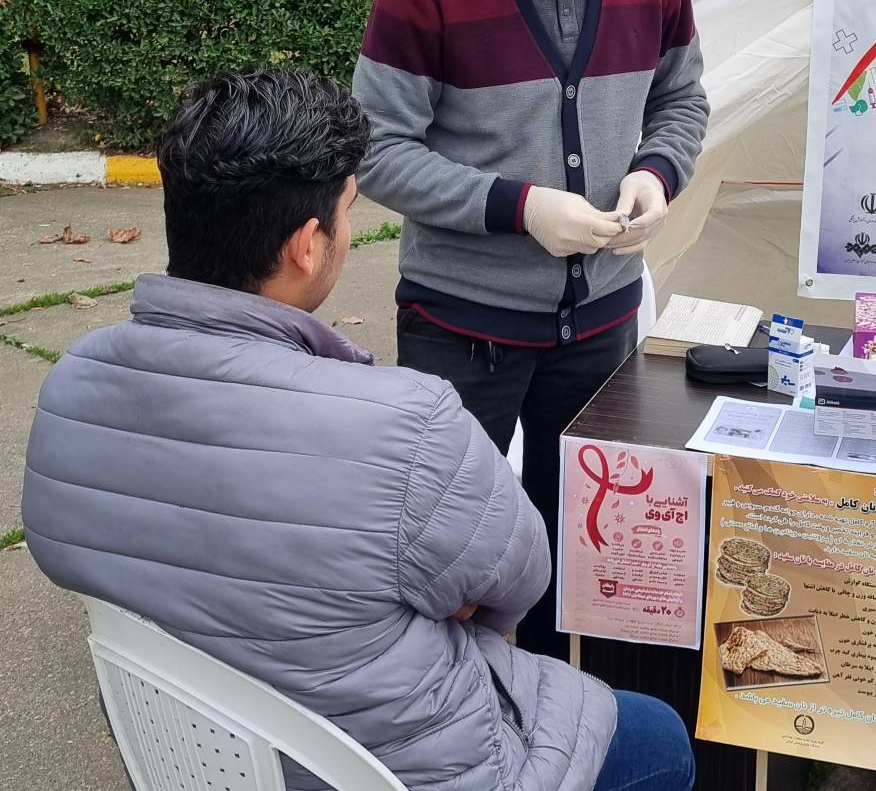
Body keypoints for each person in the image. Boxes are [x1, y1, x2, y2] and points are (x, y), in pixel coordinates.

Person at [21, 69, 694, 791]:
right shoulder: (406, 427)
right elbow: (519, 583)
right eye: (346, 212)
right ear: (308, 247)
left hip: (186, 751)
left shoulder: (73, 386)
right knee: (658, 737)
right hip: (398, 764)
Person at [353, 0, 709, 659]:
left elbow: (681, 97)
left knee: (581, 543)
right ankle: (459, 710)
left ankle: (552, 701)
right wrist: (518, 208)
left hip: (601, 320)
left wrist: (656, 172)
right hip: (462, 323)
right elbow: (377, 150)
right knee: (457, 555)